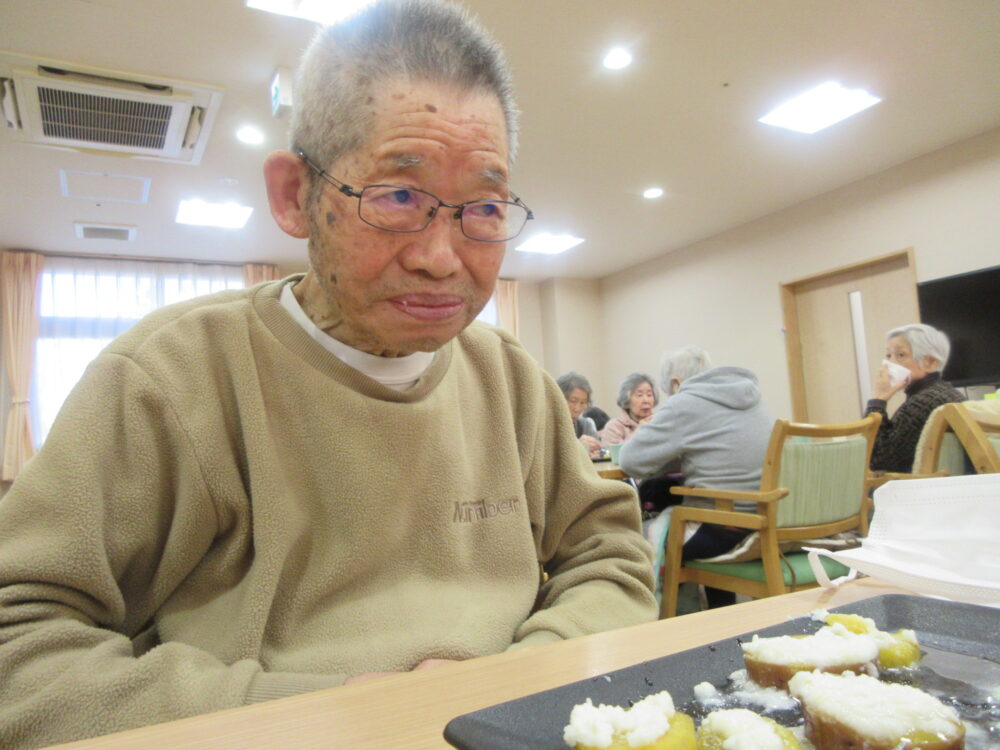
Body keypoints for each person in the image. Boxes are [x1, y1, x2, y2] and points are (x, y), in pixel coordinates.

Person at [0, 3, 655, 747]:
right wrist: (320, 712)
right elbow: (18, 644)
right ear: (294, 197)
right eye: (399, 196)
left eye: (482, 207)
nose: (443, 257)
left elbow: (611, 559)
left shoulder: (510, 380)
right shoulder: (172, 377)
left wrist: (508, 687)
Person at [618, 346, 773, 608]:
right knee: (701, 509)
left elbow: (630, 460)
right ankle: (720, 616)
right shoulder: (751, 397)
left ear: (677, 383)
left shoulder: (685, 401)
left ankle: (670, 624)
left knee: (636, 541)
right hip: (765, 522)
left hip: (723, 532)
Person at [865, 323, 963, 473]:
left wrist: (878, 400)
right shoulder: (947, 393)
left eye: (900, 355)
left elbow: (877, 460)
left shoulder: (925, 402)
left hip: (920, 491)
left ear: (929, 363)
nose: (889, 364)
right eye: (888, 355)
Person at [601, 372, 657, 448]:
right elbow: (616, 456)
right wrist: (639, 431)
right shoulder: (613, 427)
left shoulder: (659, 423)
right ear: (627, 400)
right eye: (639, 395)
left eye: (649, 395)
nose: (646, 400)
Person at [556, 371, 603, 458]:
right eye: (573, 401)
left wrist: (595, 454)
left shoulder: (586, 425)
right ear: (558, 398)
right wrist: (577, 447)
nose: (577, 409)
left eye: (583, 402)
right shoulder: (546, 426)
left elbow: (596, 454)